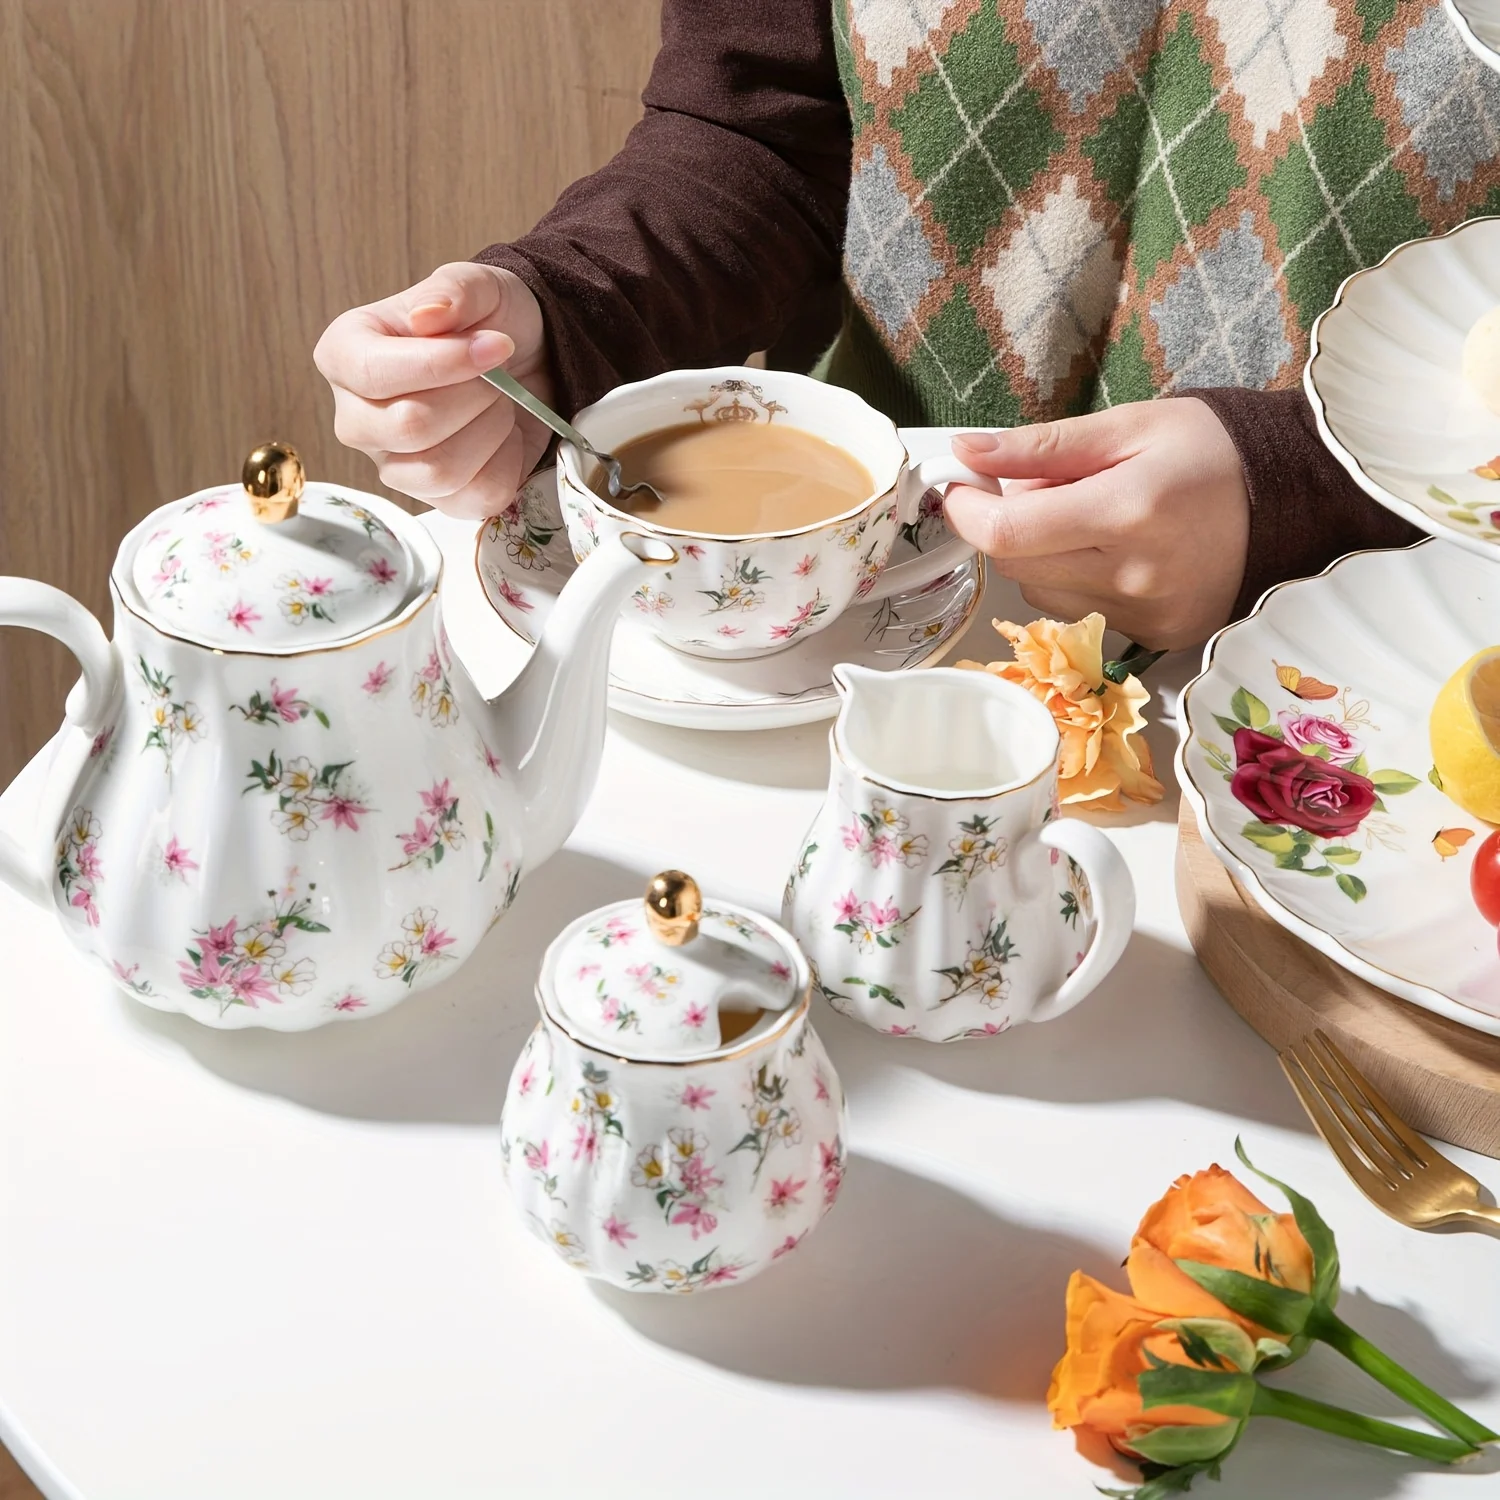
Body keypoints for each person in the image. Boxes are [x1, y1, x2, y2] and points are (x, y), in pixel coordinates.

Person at [315, 0, 1500, 649]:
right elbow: (769, 129)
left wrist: (1302, 490)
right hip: (859, 642)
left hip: (1384, 720)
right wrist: (571, 312)